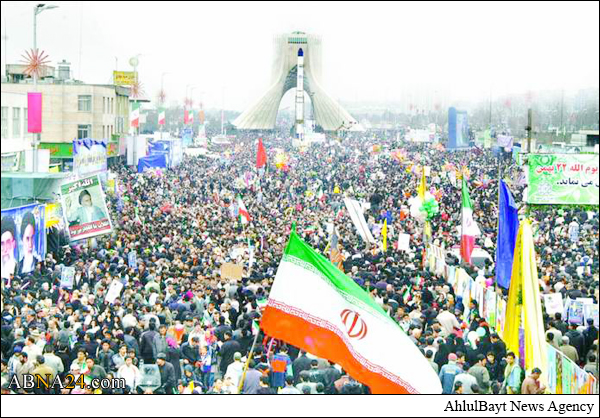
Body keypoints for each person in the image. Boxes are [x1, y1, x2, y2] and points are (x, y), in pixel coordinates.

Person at [18, 212, 42, 276]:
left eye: (32, 238)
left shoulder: (38, 262)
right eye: (27, 238)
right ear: (22, 238)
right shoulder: (19, 265)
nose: (30, 243)